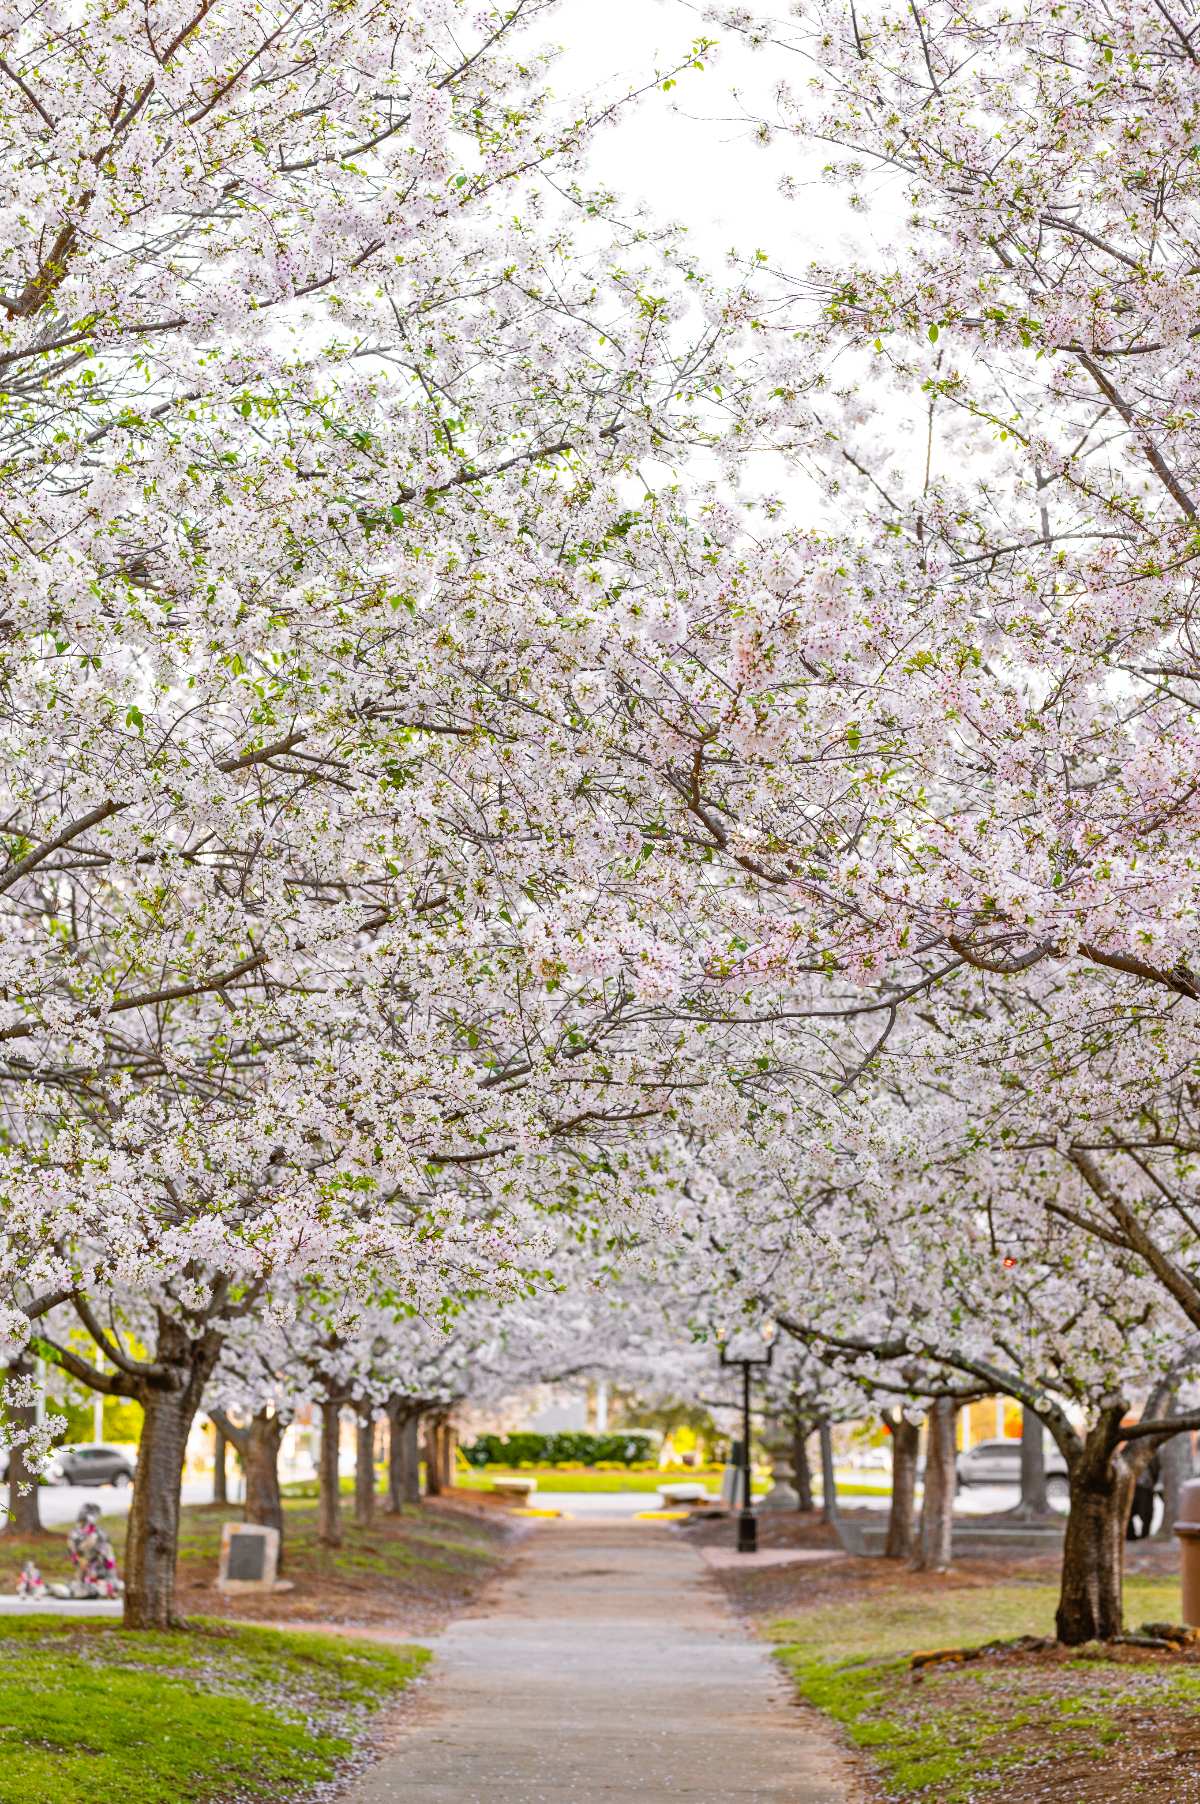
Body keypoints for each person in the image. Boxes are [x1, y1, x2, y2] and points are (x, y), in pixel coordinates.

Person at [1127, 1453, 1161, 1540]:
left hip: (1145, 1486)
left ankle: (1143, 1536)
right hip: (1135, 1485)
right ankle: (1132, 1535)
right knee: (1131, 1512)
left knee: (1146, 1513)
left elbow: (1156, 1468)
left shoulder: (1152, 1452)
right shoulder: (1133, 1448)